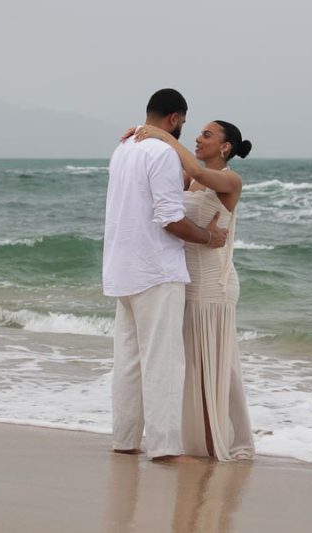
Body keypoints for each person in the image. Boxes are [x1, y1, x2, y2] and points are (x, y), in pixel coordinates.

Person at [103, 88, 228, 463]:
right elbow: (170, 219)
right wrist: (210, 237)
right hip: (156, 269)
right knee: (163, 361)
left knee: (128, 359)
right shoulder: (161, 152)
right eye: (184, 124)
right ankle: (164, 446)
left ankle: (124, 439)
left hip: (122, 267)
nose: (183, 132)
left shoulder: (122, 148)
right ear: (174, 118)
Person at [126, 119, 256, 461]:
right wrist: (139, 141)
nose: (199, 138)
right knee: (189, 362)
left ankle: (225, 439)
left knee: (218, 363)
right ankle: (191, 438)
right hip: (184, 282)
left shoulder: (229, 180)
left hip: (215, 284)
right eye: (198, 133)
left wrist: (163, 136)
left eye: (207, 135)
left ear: (225, 147)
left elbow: (197, 171)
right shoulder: (188, 179)